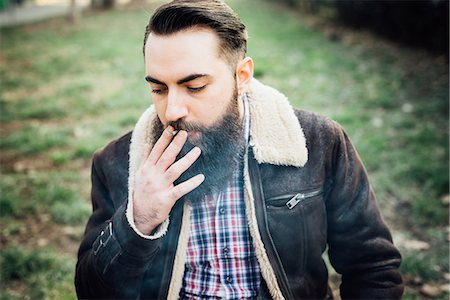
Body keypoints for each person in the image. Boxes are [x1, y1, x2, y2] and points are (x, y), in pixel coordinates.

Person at [75, 0, 403, 299]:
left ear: (242, 75)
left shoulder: (318, 144)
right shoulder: (117, 163)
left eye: (195, 86)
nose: (172, 110)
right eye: (158, 88)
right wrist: (137, 222)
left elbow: (372, 267)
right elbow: (92, 292)